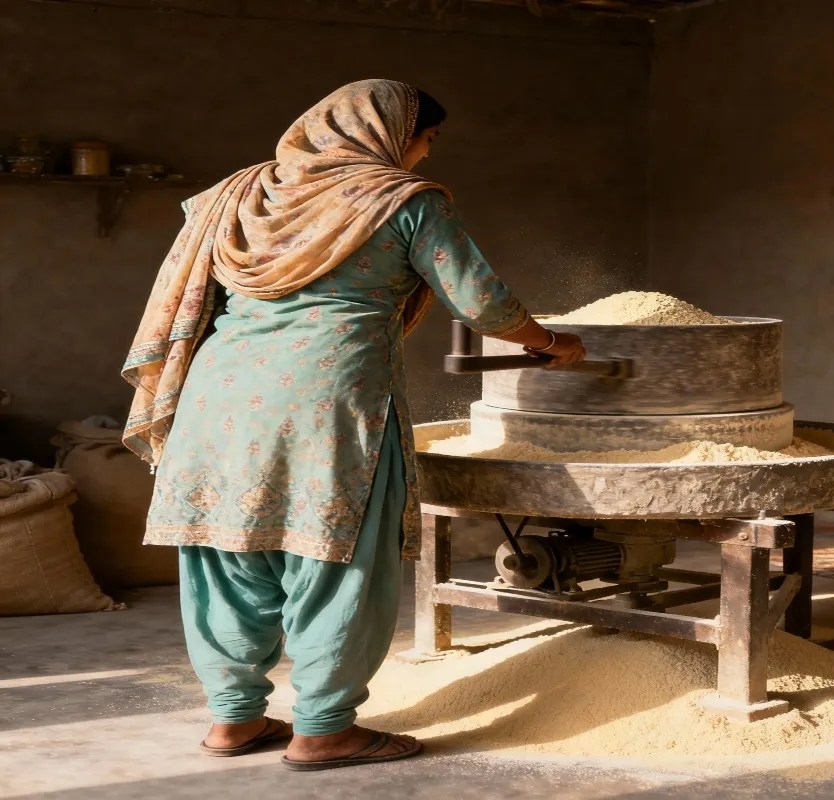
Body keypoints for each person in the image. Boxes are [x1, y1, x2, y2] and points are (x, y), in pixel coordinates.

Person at [120, 80, 586, 771]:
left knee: (227, 552)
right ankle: (325, 728)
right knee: (336, 556)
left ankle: (234, 719)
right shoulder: (403, 201)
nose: (424, 155)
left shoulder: (239, 193)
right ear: (390, 134)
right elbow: (482, 302)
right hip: (330, 400)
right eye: (425, 138)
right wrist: (551, 345)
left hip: (219, 399)